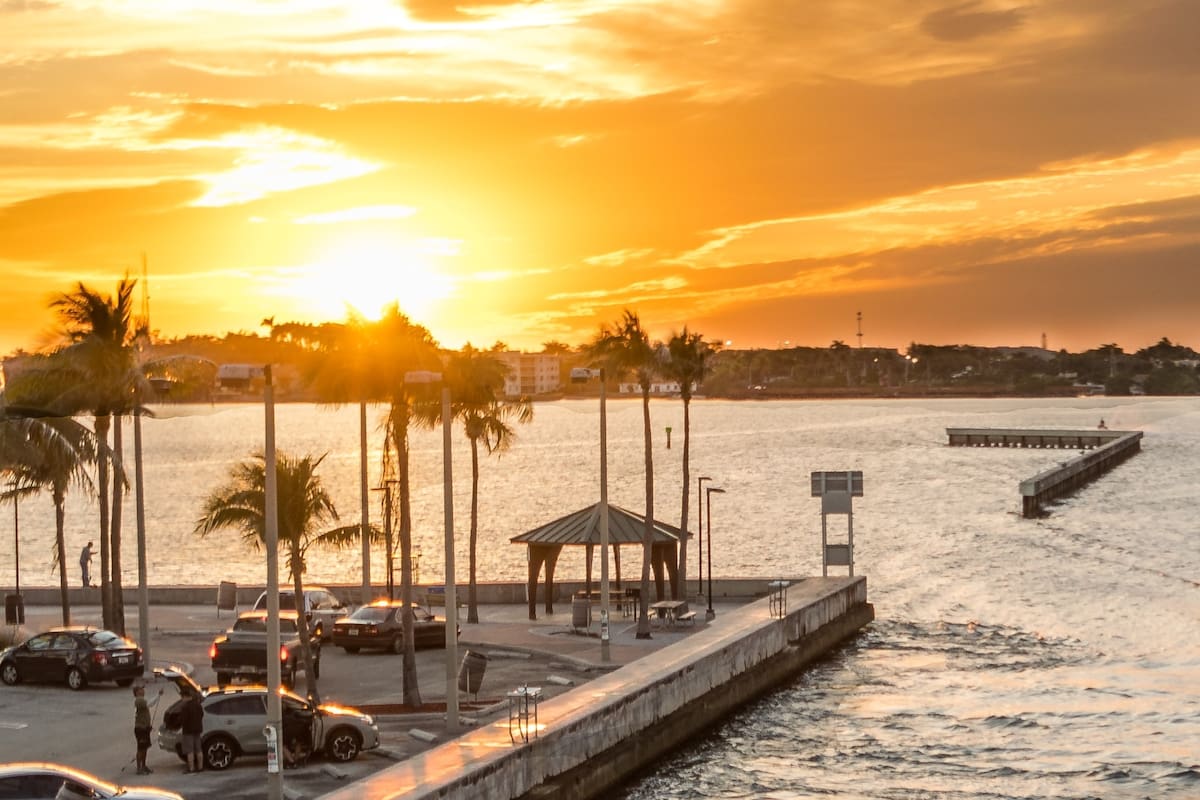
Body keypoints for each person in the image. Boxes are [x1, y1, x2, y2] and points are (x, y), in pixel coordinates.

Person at [132, 684, 163, 775]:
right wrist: (158, 695)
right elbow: (150, 704)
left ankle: (143, 766)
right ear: (137, 692)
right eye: (141, 689)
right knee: (141, 748)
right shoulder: (139, 700)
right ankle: (139, 768)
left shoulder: (140, 700)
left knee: (144, 748)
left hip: (144, 728)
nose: (144, 691)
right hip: (140, 729)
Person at [180, 691, 204, 773]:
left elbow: (183, 720)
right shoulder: (198, 705)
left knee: (189, 750)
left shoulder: (185, 707)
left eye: (182, 697)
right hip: (198, 729)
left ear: (185, 696)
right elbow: (201, 714)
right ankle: (200, 767)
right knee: (198, 749)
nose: (182, 699)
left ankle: (191, 768)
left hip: (188, 731)